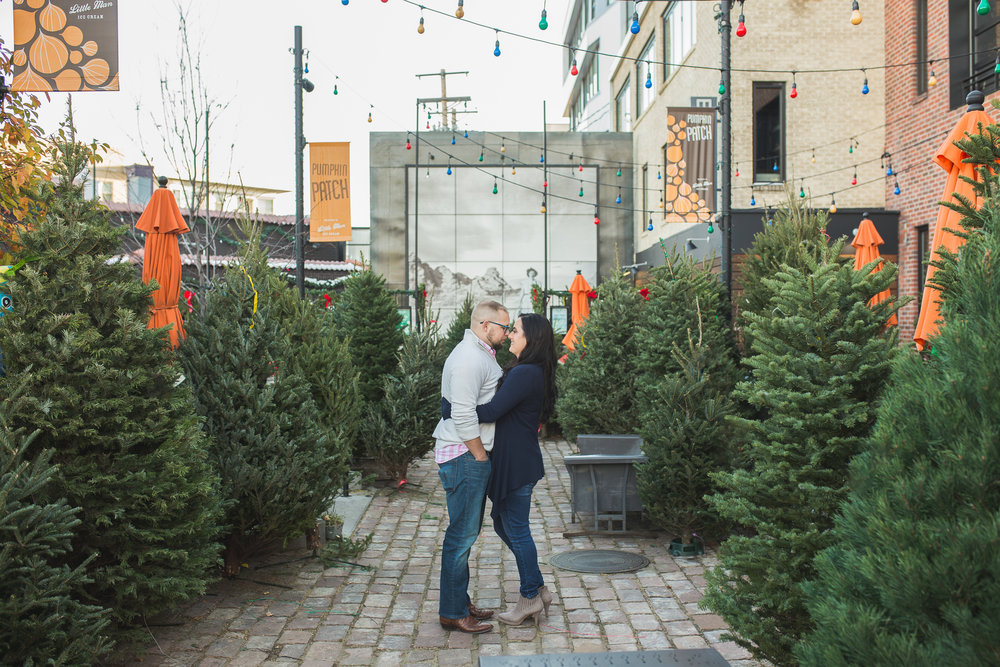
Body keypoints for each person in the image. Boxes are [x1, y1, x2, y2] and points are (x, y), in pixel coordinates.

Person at [466, 312, 559, 626]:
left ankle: (529, 597)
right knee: (503, 523)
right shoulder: (531, 371)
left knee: (516, 529)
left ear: (530, 339)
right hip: (516, 459)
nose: (510, 334)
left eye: (515, 330)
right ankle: (539, 588)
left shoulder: (525, 373)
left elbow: (492, 411)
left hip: (516, 462)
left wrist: (455, 406)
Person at [432, 300, 510, 634]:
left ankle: (459, 603)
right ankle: (452, 612)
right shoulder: (468, 359)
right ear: (485, 325)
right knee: (461, 537)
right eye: (504, 328)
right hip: (464, 456)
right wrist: (479, 455)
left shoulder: (478, 354)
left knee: (465, 534)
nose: (507, 334)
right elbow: (463, 413)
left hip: (465, 455)